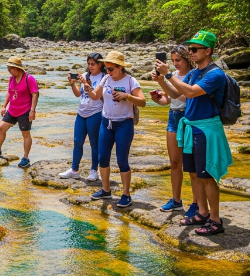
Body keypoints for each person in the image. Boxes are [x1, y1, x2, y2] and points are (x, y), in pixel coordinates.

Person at [156, 31, 231, 236]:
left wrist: (170, 74)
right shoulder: (195, 72)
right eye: (190, 48)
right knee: (193, 172)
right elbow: (176, 95)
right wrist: (163, 80)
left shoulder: (215, 74)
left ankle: (215, 220)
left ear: (208, 51)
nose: (191, 52)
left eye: (195, 49)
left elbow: (190, 92)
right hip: (192, 128)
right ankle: (202, 212)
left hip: (206, 129)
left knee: (207, 175)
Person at [89, 51, 146, 208]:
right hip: (106, 122)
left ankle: (126, 194)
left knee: (122, 160)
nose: (108, 71)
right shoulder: (106, 78)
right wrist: (87, 88)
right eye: (106, 68)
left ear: (120, 67)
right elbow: (95, 96)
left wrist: (126, 96)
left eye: (111, 68)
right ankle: (106, 190)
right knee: (103, 158)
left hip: (124, 124)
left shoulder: (131, 81)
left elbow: (142, 101)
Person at [152, 46, 199, 214]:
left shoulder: (194, 76)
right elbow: (169, 100)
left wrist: (166, 80)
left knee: (192, 166)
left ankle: (196, 203)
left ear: (187, 59)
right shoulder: (174, 76)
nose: (175, 64)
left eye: (178, 60)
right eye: (172, 61)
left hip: (189, 118)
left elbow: (186, 97)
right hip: (174, 118)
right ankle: (176, 200)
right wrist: (159, 96)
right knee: (174, 163)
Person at [0, 57, 39, 168]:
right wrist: (4, 106)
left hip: (24, 110)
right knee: (1, 128)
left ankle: (26, 158)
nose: (9, 71)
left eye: (10, 69)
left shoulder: (29, 78)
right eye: (8, 69)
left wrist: (32, 110)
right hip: (12, 110)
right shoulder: (11, 79)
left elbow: (35, 94)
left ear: (17, 68)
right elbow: (9, 93)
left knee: (25, 134)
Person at [59, 53, 105, 181]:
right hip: (81, 112)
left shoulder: (104, 78)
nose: (90, 66)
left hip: (95, 112)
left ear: (100, 64)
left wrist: (86, 84)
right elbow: (78, 94)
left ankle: (94, 170)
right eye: (88, 64)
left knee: (94, 143)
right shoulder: (85, 75)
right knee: (77, 141)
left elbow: (95, 95)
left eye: (93, 64)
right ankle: (74, 170)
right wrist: (73, 84)